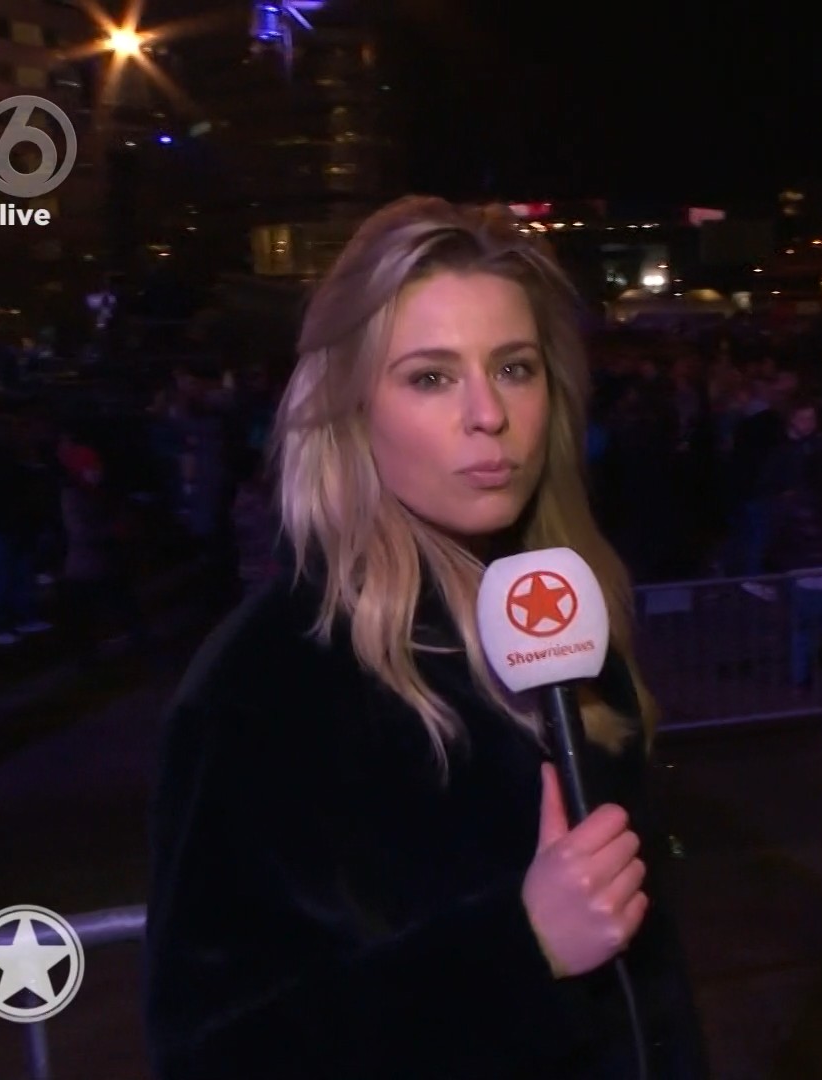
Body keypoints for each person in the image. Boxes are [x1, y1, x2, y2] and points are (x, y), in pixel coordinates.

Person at [144, 198, 708, 1079]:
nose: (489, 414)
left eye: (514, 368)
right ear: (348, 407)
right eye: (431, 377)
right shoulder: (267, 684)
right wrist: (520, 954)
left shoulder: (558, 614)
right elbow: (214, 1056)